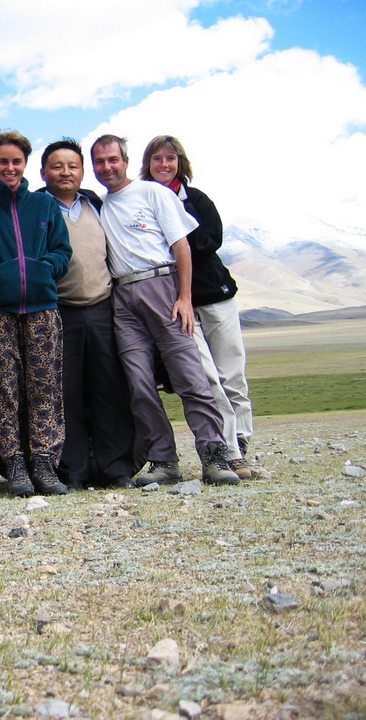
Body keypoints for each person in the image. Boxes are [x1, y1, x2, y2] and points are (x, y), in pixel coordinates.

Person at [89, 134, 239, 486]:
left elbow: (181, 246)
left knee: (190, 377)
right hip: (123, 298)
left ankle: (214, 455)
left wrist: (184, 298)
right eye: (99, 161)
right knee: (139, 383)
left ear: (126, 161)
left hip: (162, 288)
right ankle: (163, 459)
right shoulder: (100, 206)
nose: (107, 167)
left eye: (113, 159)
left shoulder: (152, 193)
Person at [140, 135, 260, 480]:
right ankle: (227, 451)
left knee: (232, 374)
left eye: (170, 158)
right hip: (178, 302)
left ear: (181, 163)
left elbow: (211, 240)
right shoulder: (142, 202)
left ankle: (241, 441)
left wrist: (175, 236)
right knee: (207, 378)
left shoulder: (196, 200)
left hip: (214, 295)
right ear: (148, 164)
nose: (164, 165)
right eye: (157, 159)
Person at [0, 130, 72, 497]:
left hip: (42, 307)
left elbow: (62, 250)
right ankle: (14, 463)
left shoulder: (44, 206)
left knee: (45, 387)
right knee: (5, 389)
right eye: (3, 161)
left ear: (26, 164)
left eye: (16, 161)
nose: (9, 168)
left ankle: (44, 463)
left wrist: (46, 268)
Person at [39, 138, 136, 490]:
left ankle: (117, 469)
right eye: (57, 166)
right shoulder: (37, 207)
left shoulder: (96, 204)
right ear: (43, 173)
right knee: (66, 395)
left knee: (110, 389)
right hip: (59, 312)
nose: (65, 172)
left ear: (82, 171)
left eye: (73, 166)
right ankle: (73, 473)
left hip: (102, 308)